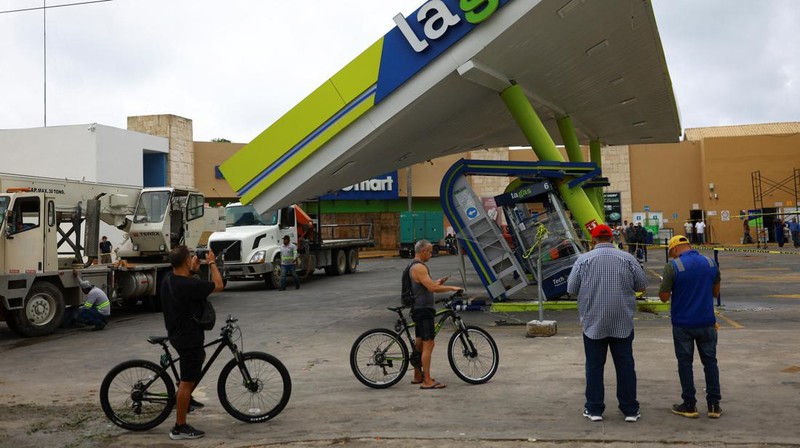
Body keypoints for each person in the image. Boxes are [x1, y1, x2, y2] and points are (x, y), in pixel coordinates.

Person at [566, 225, 647, 423]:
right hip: (622, 322)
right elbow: (642, 285)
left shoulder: (583, 260)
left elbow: (571, 288)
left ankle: (594, 409)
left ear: (593, 240)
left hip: (593, 323)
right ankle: (630, 409)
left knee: (594, 367)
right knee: (625, 365)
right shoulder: (628, 259)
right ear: (612, 238)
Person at [161, 245, 224, 440]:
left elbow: (187, 284)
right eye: (190, 258)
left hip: (177, 334)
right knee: (187, 383)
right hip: (188, 338)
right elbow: (218, 285)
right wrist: (211, 262)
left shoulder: (169, 280)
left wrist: (194, 270)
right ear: (187, 261)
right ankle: (179, 427)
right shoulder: (188, 285)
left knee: (200, 358)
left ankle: (185, 398)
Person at [658, 235, 722, 419]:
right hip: (707, 323)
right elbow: (715, 292)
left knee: (685, 364)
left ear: (675, 249)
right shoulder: (710, 263)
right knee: (710, 362)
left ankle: (689, 405)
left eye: (672, 253)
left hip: (683, 324)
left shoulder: (673, 267)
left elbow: (663, 296)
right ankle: (714, 405)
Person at [409, 239, 463, 390]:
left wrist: (437, 282)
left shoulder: (414, 266)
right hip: (423, 310)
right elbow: (431, 288)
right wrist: (451, 287)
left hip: (418, 308)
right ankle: (427, 381)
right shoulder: (419, 267)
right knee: (429, 344)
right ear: (423, 251)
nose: (431, 254)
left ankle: (417, 376)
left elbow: (426, 286)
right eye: (430, 251)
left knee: (419, 344)